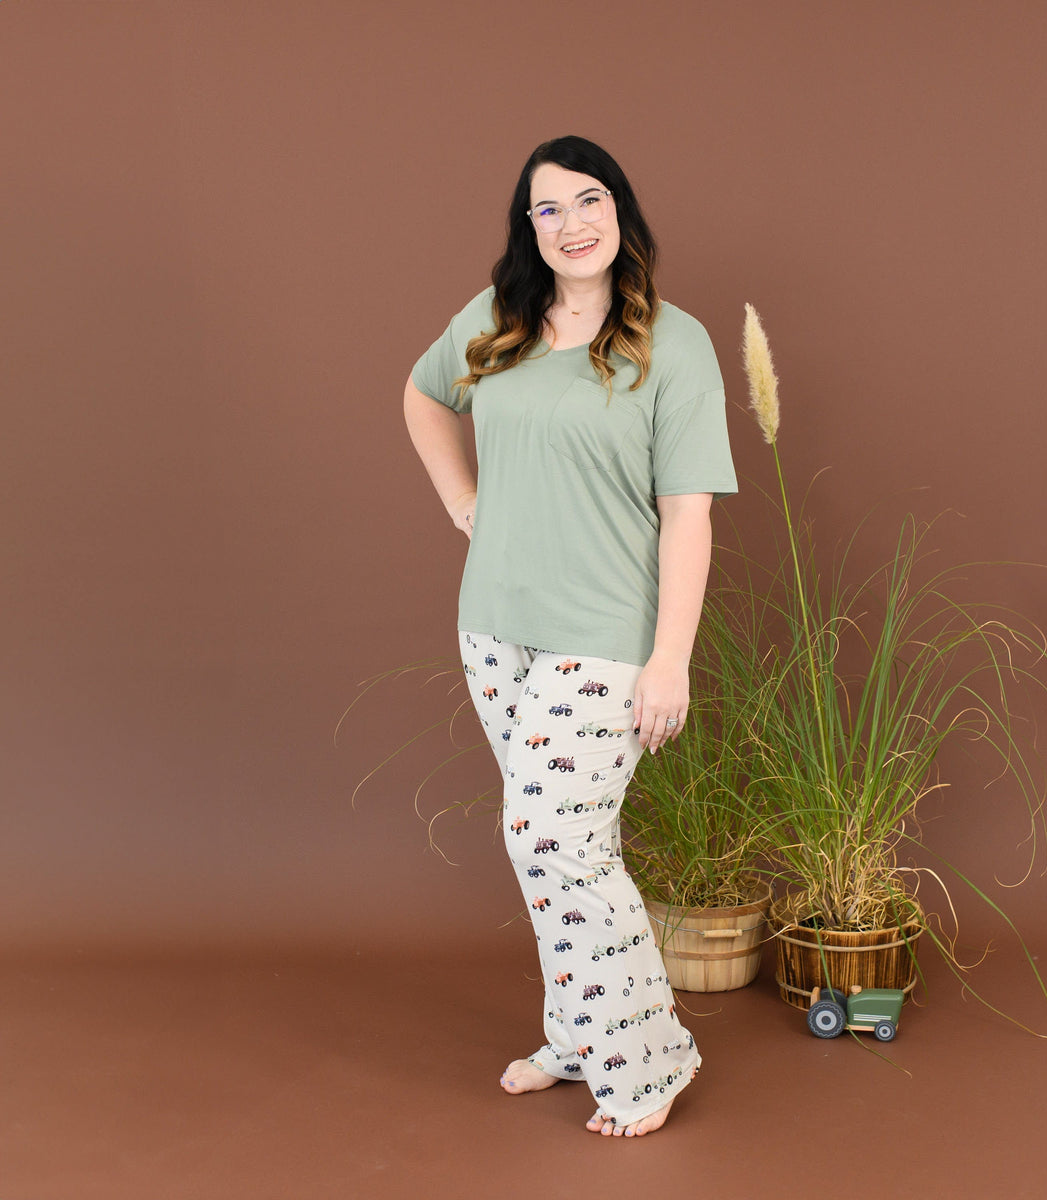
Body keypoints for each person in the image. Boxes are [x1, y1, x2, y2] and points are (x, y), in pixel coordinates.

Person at [403, 135, 737, 1139]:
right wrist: (463, 503)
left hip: (605, 635)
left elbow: (688, 514)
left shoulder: (674, 343)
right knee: (552, 850)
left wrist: (670, 658)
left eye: (589, 200)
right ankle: (582, 1031)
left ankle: (647, 1062)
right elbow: (423, 395)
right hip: (495, 628)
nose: (572, 223)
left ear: (620, 212)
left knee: (554, 839)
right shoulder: (497, 317)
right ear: (530, 229)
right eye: (548, 209)